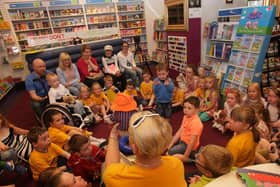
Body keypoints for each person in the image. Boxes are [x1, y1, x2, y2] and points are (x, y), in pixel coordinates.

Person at [103, 111, 187, 187]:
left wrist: (113, 137)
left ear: (134, 148)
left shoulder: (114, 176)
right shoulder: (176, 164)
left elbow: (110, 166)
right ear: (165, 145)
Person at [168, 96, 203, 162]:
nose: (185, 110)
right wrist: (171, 143)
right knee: (167, 141)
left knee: (169, 153)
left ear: (197, 110)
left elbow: (192, 142)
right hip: (182, 139)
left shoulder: (196, 123)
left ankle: (193, 159)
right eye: (184, 107)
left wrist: (185, 156)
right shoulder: (186, 117)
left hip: (187, 144)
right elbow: (180, 130)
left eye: (189, 108)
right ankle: (192, 154)